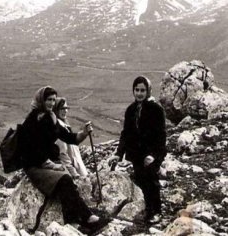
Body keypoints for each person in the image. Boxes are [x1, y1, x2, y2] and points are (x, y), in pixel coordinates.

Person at [19, 86, 109, 233]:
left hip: (45, 163)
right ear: (41, 100)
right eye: (49, 100)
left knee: (67, 181)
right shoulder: (33, 120)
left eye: (54, 100)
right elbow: (32, 149)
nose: (52, 103)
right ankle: (87, 218)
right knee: (65, 179)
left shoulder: (50, 118)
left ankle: (75, 221)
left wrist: (84, 133)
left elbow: (68, 137)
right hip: (34, 166)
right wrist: (52, 166)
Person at [108, 76, 167, 224]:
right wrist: (119, 154)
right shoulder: (130, 110)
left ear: (148, 91)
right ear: (133, 91)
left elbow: (161, 135)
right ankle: (148, 211)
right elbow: (126, 134)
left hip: (151, 154)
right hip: (136, 154)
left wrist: (154, 155)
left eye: (143, 90)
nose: (139, 93)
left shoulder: (156, 109)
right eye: (137, 90)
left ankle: (157, 212)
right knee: (141, 180)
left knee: (152, 181)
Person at [53, 97, 88, 178]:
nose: (65, 111)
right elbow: (63, 155)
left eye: (66, 108)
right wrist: (74, 174)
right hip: (74, 172)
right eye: (62, 108)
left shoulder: (65, 126)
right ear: (56, 110)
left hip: (77, 167)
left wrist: (84, 133)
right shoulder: (58, 128)